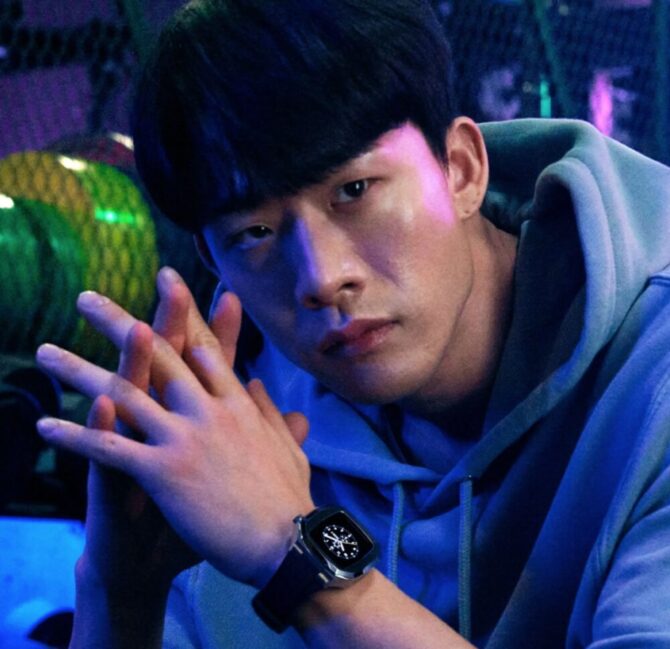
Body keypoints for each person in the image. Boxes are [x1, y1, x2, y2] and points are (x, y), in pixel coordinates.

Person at [33, 0, 670, 647]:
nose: (320, 277)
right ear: (214, 262)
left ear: (460, 168)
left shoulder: (655, 377)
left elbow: (289, 540)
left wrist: (297, 551)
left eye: (355, 190)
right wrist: (120, 590)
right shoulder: (245, 438)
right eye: (255, 232)